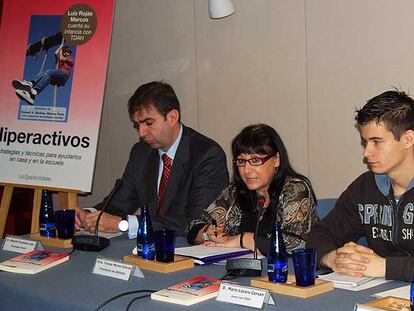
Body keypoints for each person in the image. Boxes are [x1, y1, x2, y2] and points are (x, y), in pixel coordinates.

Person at [75, 81, 229, 236]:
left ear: (172, 117)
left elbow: (197, 222)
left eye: (149, 123)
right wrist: (88, 215)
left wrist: (125, 224)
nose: (141, 133)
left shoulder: (207, 156)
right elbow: (118, 203)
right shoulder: (141, 152)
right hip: (147, 250)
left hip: (188, 252)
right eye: (137, 125)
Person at [306, 90, 414, 282]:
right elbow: (320, 234)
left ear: (408, 139)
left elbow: (384, 267)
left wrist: (386, 267)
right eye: (365, 142)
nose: (367, 153)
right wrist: (333, 258)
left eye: (376, 142)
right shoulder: (365, 187)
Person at [186, 124, 318, 255]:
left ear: (276, 160)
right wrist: (209, 233)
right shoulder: (235, 192)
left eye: (255, 160)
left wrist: (242, 239)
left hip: (287, 271)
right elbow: (193, 225)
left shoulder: (296, 189)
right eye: (241, 161)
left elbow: (297, 243)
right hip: (240, 268)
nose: (247, 170)